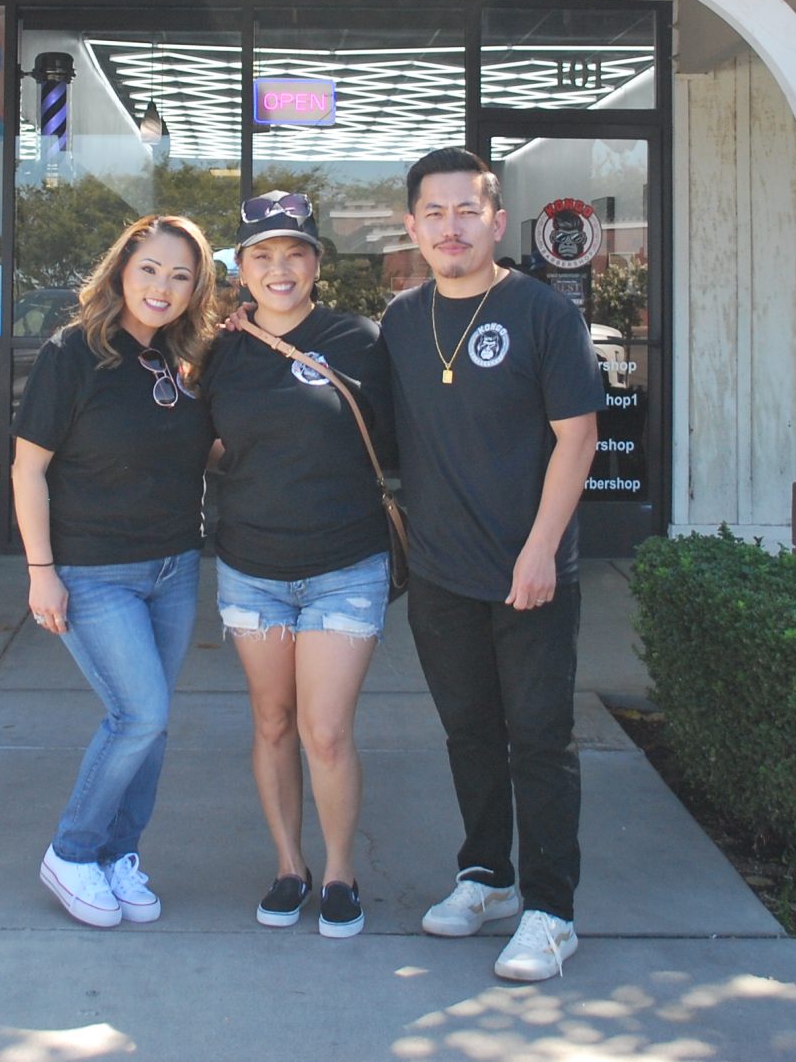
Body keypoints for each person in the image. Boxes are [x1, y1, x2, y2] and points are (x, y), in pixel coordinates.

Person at [379, 148, 602, 982]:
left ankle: (552, 909)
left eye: (465, 210)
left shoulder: (544, 314)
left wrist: (542, 549)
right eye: (432, 213)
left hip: (531, 572)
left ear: (497, 221)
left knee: (540, 738)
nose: (450, 226)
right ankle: (486, 876)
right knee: (469, 732)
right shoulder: (402, 320)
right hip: (440, 574)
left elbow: (576, 440)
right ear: (412, 227)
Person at [11, 214, 219, 928]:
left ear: (197, 289)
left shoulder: (186, 360)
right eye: (151, 269)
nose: (163, 287)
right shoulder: (72, 353)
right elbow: (28, 468)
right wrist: (42, 571)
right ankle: (71, 852)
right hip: (93, 570)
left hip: (173, 568)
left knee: (151, 725)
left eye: (181, 275)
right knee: (140, 713)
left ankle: (116, 855)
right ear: (121, 271)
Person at [203, 191, 392, 940]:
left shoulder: (359, 341)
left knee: (325, 730)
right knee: (274, 722)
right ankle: (290, 865)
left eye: (294, 253)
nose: (279, 269)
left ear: (317, 261)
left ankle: (340, 871)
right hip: (252, 567)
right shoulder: (215, 352)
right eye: (261, 255)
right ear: (241, 269)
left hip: (345, 565)